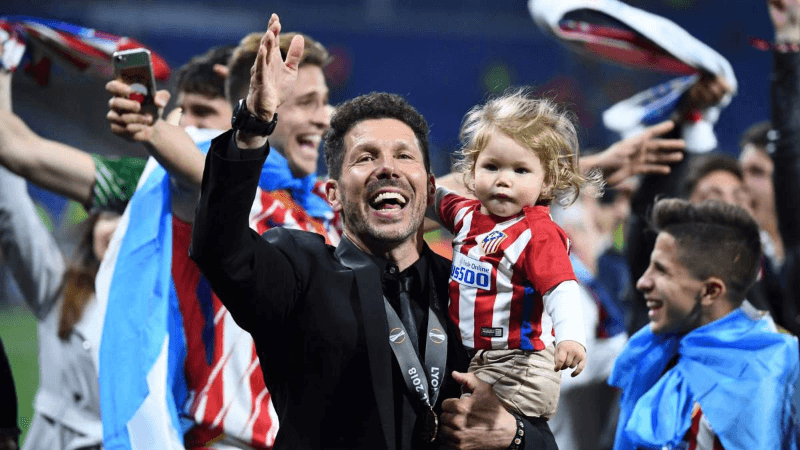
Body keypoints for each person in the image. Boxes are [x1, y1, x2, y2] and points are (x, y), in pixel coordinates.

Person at [191, 14, 558, 449]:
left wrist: (513, 434)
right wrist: (254, 124)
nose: (387, 168)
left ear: (430, 188)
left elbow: (541, 435)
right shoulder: (300, 270)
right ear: (332, 193)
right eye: (365, 157)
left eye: (404, 156)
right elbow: (221, 249)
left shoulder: (475, 291)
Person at [103, 30, 335, 449]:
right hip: (229, 440)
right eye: (306, 102)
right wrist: (152, 129)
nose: (323, 118)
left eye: (324, 101)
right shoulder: (235, 198)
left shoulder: (325, 206)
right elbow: (205, 173)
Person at [429, 89, 589, 422]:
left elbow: (561, 288)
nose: (503, 179)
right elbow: (430, 196)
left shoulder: (537, 233)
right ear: (471, 172)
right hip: (481, 359)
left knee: (467, 424)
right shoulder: (465, 214)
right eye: (491, 166)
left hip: (521, 364)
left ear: (547, 182)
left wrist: (572, 336)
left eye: (520, 170)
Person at [610, 198, 799, 449]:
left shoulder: (782, 367)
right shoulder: (651, 357)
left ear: (711, 291)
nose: (643, 282)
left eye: (661, 270)